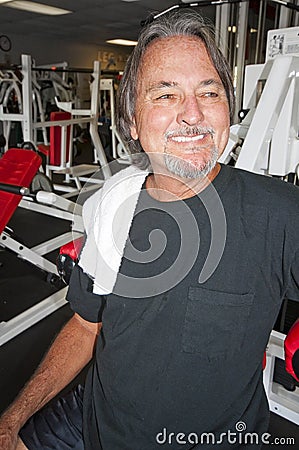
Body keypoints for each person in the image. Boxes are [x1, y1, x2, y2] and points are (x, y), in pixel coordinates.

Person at [1, 9, 299, 450]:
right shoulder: (113, 203)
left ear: (226, 111)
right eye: (165, 95)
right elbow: (86, 326)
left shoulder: (280, 213)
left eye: (209, 91)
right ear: (134, 123)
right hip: (90, 417)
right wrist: (13, 418)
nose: (192, 114)